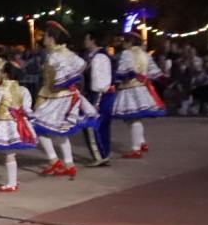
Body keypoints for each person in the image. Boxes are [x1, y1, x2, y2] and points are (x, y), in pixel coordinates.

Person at [33, 21, 98, 179]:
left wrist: (58, 85)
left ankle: (54, 160)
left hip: (56, 97)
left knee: (36, 126)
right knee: (62, 131)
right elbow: (82, 66)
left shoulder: (55, 55)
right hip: (68, 96)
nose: (44, 39)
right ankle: (69, 164)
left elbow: (64, 78)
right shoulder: (67, 53)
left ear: (51, 38)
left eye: (46, 36)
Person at [0, 61, 37, 192]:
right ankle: (13, 179)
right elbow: (27, 108)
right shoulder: (23, 90)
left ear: (5, 74)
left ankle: (11, 183)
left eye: (1, 71)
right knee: (10, 153)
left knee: (9, 153)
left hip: (4, 124)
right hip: (18, 123)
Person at [112, 32, 165, 158]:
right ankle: (141, 142)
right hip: (142, 89)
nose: (123, 44)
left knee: (133, 118)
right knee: (133, 118)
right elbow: (155, 73)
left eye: (125, 41)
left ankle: (136, 149)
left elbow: (124, 71)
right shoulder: (145, 55)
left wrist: (117, 79)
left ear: (130, 42)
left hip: (129, 89)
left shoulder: (127, 53)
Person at [83, 31, 115, 167]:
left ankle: (99, 155)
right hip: (103, 94)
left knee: (91, 124)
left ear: (93, 40)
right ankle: (104, 154)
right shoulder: (97, 56)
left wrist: (94, 96)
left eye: (86, 39)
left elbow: (99, 81)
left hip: (99, 94)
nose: (85, 41)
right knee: (103, 126)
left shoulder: (99, 57)